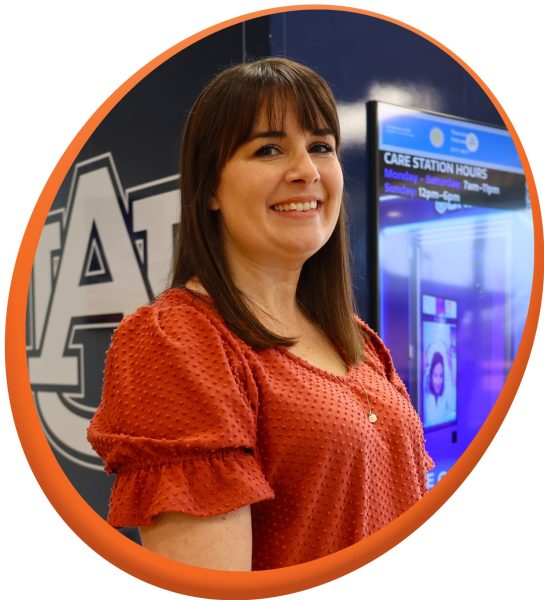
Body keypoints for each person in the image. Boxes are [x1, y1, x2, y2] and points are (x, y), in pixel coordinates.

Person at [87, 57, 433, 571]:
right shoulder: (179, 339)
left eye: (321, 147)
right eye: (268, 149)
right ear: (209, 189)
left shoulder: (357, 341)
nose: (306, 171)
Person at [423, 350, 456, 428]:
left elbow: (453, 406)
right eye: (435, 376)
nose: (438, 381)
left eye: (441, 376)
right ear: (431, 376)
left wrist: (451, 366)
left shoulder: (446, 393)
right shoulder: (425, 394)